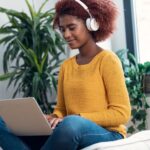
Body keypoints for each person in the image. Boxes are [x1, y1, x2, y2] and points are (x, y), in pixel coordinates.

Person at [0, 0, 131, 150]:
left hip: (107, 132)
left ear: (91, 24)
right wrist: (51, 118)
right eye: (62, 29)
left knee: (71, 124)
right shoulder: (66, 66)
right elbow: (61, 109)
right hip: (70, 129)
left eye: (71, 27)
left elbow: (121, 113)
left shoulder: (108, 60)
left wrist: (78, 118)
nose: (66, 35)